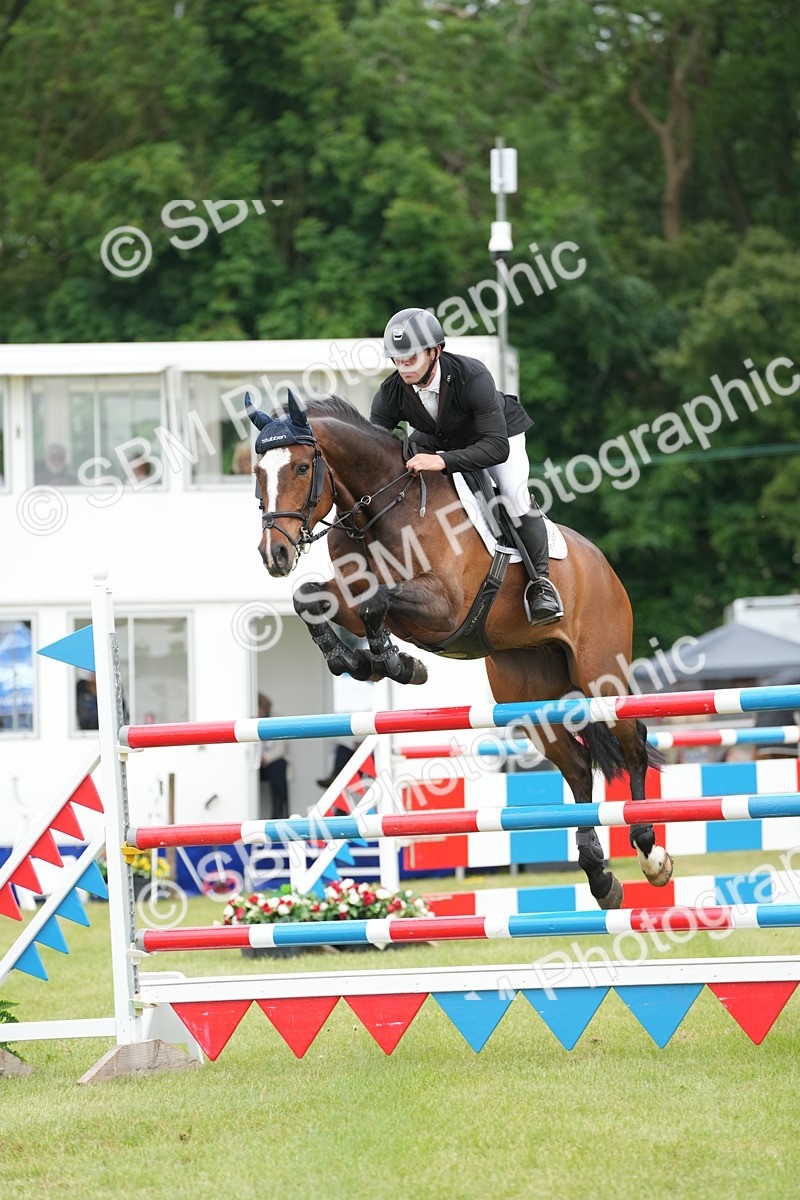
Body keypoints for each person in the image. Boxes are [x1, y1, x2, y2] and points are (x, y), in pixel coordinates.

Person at [370, 307, 563, 625]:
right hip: (441, 437)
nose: (403, 368)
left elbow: (496, 447)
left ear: (435, 351)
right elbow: (377, 447)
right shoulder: (391, 392)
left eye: (411, 359)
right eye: (397, 360)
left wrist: (442, 461)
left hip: (498, 437)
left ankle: (541, 585)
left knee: (513, 496)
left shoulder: (472, 375)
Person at [257, 694, 290, 820]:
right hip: (255, 765)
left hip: (271, 762)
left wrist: (264, 758)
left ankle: (278, 813)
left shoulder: (276, 720)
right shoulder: (248, 721)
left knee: (279, 766)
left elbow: (280, 748)